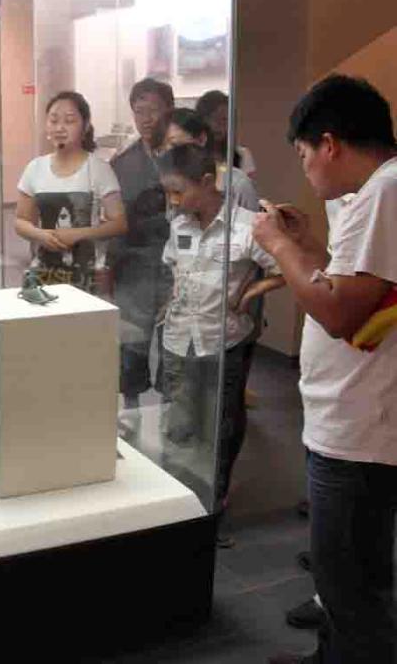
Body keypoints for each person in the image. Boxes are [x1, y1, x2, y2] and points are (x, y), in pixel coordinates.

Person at [256, 76, 397, 664]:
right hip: (353, 418)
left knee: (349, 585)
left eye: (303, 154)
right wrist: (308, 246)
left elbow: (339, 312)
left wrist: (279, 247)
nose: (306, 169)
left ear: (330, 144)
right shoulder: (374, 193)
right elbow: (346, 283)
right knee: (350, 576)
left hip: (360, 426)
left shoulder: (386, 190)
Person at [156, 145, 284, 515]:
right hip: (178, 338)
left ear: (207, 181)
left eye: (178, 191)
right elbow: (172, 265)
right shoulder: (179, 223)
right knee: (179, 422)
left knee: (220, 424)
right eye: (167, 192)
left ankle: (214, 501)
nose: (173, 200)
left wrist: (251, 293)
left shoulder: (247, 226)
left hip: (223, 340)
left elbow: (282, 270)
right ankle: (177, 499)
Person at [109, 78, 175, 437]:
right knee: (132, 341)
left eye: (153, 110)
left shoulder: (182, 156)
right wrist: (110, 266)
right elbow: (115, 221)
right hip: (134, 265)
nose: (146, 119)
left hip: (175, 266)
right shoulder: (123, 162)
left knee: (171, 341)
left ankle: (170, 411)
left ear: (169, 110)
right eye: (139, 111)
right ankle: (131, 407)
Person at [14, 90, 127, 295]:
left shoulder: (99, 169)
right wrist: (41, 235)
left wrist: (78, 234)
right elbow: (21, 221)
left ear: (85, 126)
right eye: (53, 120)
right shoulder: (35, 168)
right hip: (43, 273)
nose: (60, 128)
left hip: (86, 275)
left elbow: (119, 223)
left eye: (69, 121)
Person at [165, 107, 259, 211]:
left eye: (175, 146)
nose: (168, 154)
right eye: (162, 149)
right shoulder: (166, 182)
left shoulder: (236, 183)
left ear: (201, 139)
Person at [195, 89, 257, 179]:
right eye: (212, 118)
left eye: (224, 119)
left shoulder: (242, 155)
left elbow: (249, 185)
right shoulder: (192, 155)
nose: (218, 124)